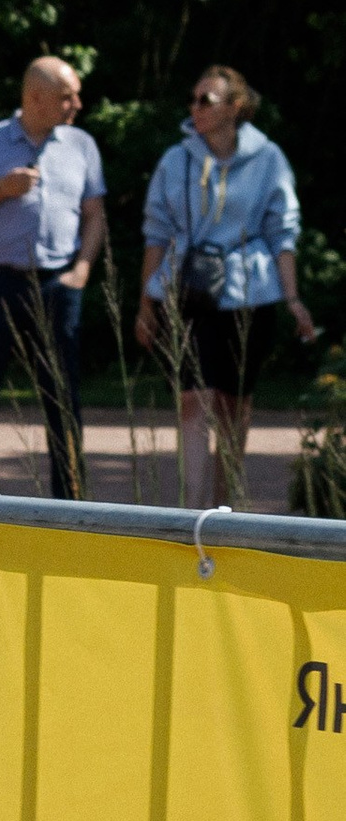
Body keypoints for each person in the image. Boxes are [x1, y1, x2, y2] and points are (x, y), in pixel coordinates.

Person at [137, 65, 320, 507]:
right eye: (193, 99)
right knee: (193, 401)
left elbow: (283, 232)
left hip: (249, 292)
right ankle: (190, 512)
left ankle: (226, 511)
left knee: (234, 406)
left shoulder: (268, 158)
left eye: (207, 100)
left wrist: (292, 298)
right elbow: (157, 233)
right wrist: (145, 303)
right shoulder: (176, 159)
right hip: (187, 289)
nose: (195, 108)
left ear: (236, 107)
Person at [0, 55, 107, 498]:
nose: (76, 104)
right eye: (66, 96)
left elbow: (95, 215)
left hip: (58, 284)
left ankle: (71, 506)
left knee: (63, 399)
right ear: (34, 97)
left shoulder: (81, 146)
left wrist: (83, 270)